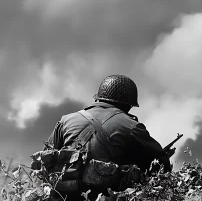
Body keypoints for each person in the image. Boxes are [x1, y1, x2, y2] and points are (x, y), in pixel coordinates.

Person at [41, 74, 172, 198]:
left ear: (98, 97)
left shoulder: (66, 120)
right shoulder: (132, 126)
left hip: (63, 195)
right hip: (108, 196)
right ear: (128, 105)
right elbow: (162, 165)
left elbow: (46, 159)